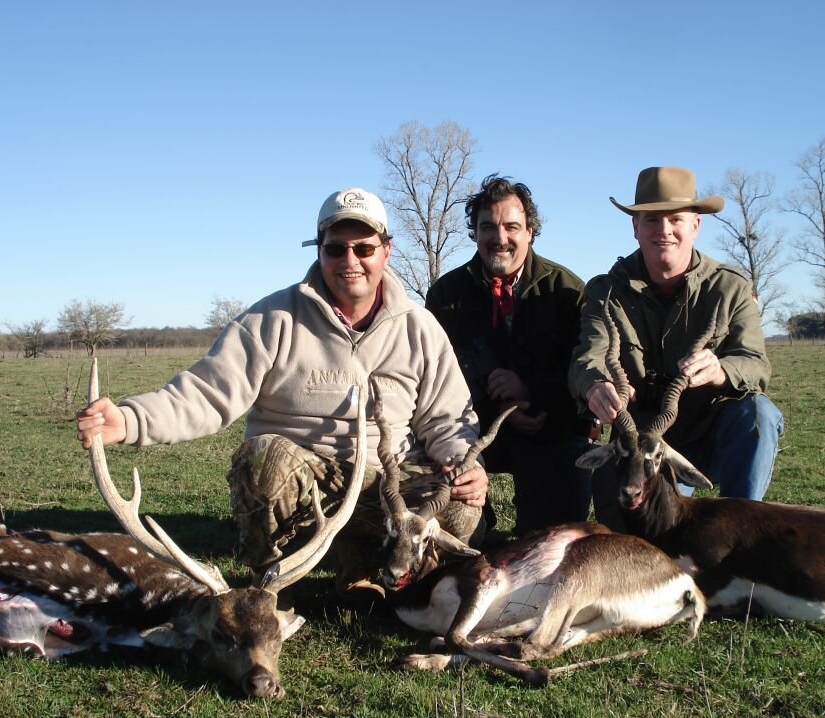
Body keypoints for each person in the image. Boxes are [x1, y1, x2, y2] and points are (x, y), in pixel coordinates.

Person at [76, 187, 488, 596]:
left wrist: (464, 464)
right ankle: (273, 576)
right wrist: (129, 420)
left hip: (385, 492)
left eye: (363, 249)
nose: (350, 261)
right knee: (264, 458)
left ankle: (385, 574)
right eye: (335, 249)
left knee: (461, 506)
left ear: (386, 250)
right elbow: (205, 393)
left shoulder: (420, 327)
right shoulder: (271, 319)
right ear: (319, 251)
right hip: (303, 484)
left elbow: (446, 418)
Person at [569, 166, 783, 531]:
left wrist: (721, 371)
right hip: (637, 447)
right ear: (635, 227)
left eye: (675, 220)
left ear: (695, 225)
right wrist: (594, 385)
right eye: (651, 220)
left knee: (758, 414)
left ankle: (741, 531)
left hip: (708, 436)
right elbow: (588, 356)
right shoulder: (605, 291)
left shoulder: (729, 288)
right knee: (626, 546)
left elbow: (756, 365)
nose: (663, 230)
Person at [426, 174, 592, 534]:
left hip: (552, 429)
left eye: (511, 227)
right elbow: (435, 382)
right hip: (473, 431)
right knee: (462, 530)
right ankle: (475, 531)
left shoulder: (567, 290)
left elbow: (583, 371)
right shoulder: (445, 296)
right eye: (488, 227)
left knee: (554, 542)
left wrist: (530, 392)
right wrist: (498, 410)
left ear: (530, 231)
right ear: (475, 232)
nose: (500, 238)